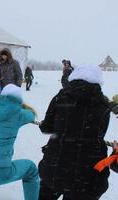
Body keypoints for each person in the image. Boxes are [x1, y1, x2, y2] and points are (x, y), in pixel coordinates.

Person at [38, 64, 111, 200]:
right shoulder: (103, 104)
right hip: (86, 174)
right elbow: (100, 134)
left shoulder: (60, 97)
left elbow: (46, 127)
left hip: (56, 165)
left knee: (45, 194)